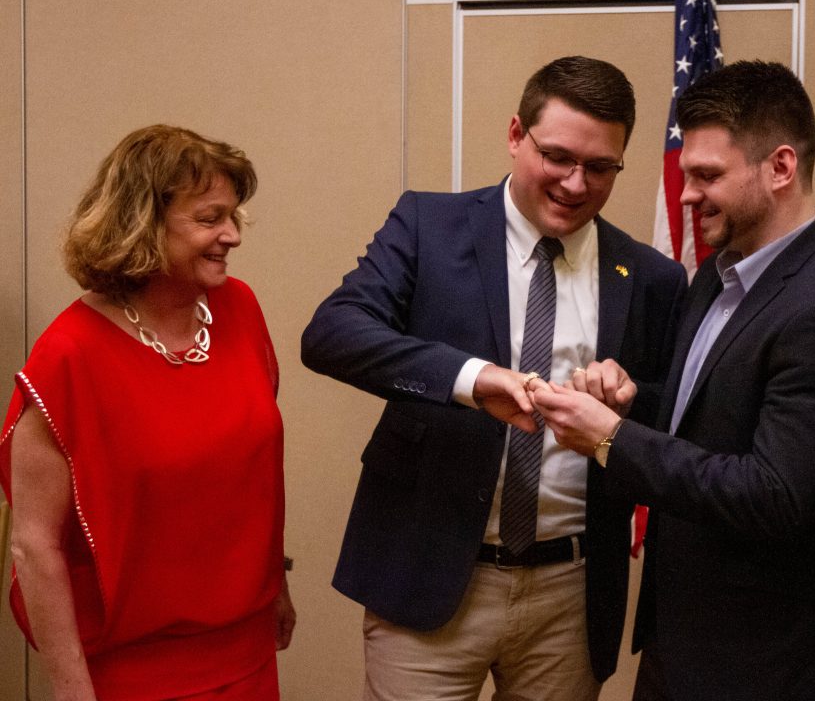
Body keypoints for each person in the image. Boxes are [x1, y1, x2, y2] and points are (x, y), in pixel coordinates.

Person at [301, 55, 687, 701]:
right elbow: (332, 333)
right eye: (557, 156)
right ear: (516, 135)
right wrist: (472, 380)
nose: (574, 182)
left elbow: (675, 418)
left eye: (599, 167)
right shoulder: (428, 226)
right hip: (432, 578)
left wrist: (625, 400)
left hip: (571, 591)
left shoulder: (650, 277)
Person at [532, 60, 815, 701]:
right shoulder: (718, 273)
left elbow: (773, 494)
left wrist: (612, 438)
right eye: (685, 175)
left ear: (780, 168)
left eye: (707, 176)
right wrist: (632, 398)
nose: (687, 195)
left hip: (764, 661)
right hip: (681, 641)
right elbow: (713, 416)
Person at [1, 125, 294, 700]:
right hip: (131, 672)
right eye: (210, 219)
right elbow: (34, 545)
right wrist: (71, 689)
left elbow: (249, 472)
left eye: (234, 217)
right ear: (142, 223)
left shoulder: (241, 310)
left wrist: (276, 586)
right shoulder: (69, 355)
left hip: (247, 652)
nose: (232, 236)